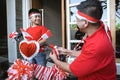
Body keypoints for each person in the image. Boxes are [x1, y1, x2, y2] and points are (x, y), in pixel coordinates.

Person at [49, 0, 117, 80]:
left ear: (85, 23)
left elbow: (72, 71)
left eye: (77, 20)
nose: (76, 22)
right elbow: (88, 54)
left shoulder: (96, 45)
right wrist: (68, 52)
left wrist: (55, 60)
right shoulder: (101, 28)